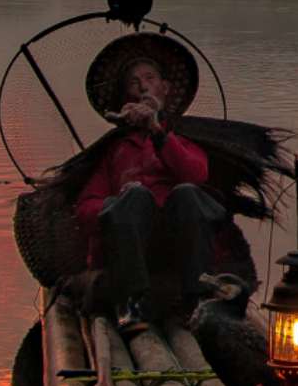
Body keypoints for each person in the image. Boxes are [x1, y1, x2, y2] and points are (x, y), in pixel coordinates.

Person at [75, 58, 224, 331]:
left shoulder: (185, 141)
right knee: (135, 197)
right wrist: (119, 204)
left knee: (188, 194)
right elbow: (85, 210)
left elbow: (196, 176)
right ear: (126, 99)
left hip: (178, 247)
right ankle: (132, 303)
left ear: (165, 89)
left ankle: (198, 302)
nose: (143, 87)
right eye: (134, 82)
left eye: (150, 79)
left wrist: (156, 131)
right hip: (129, 250)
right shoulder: (113, 151)